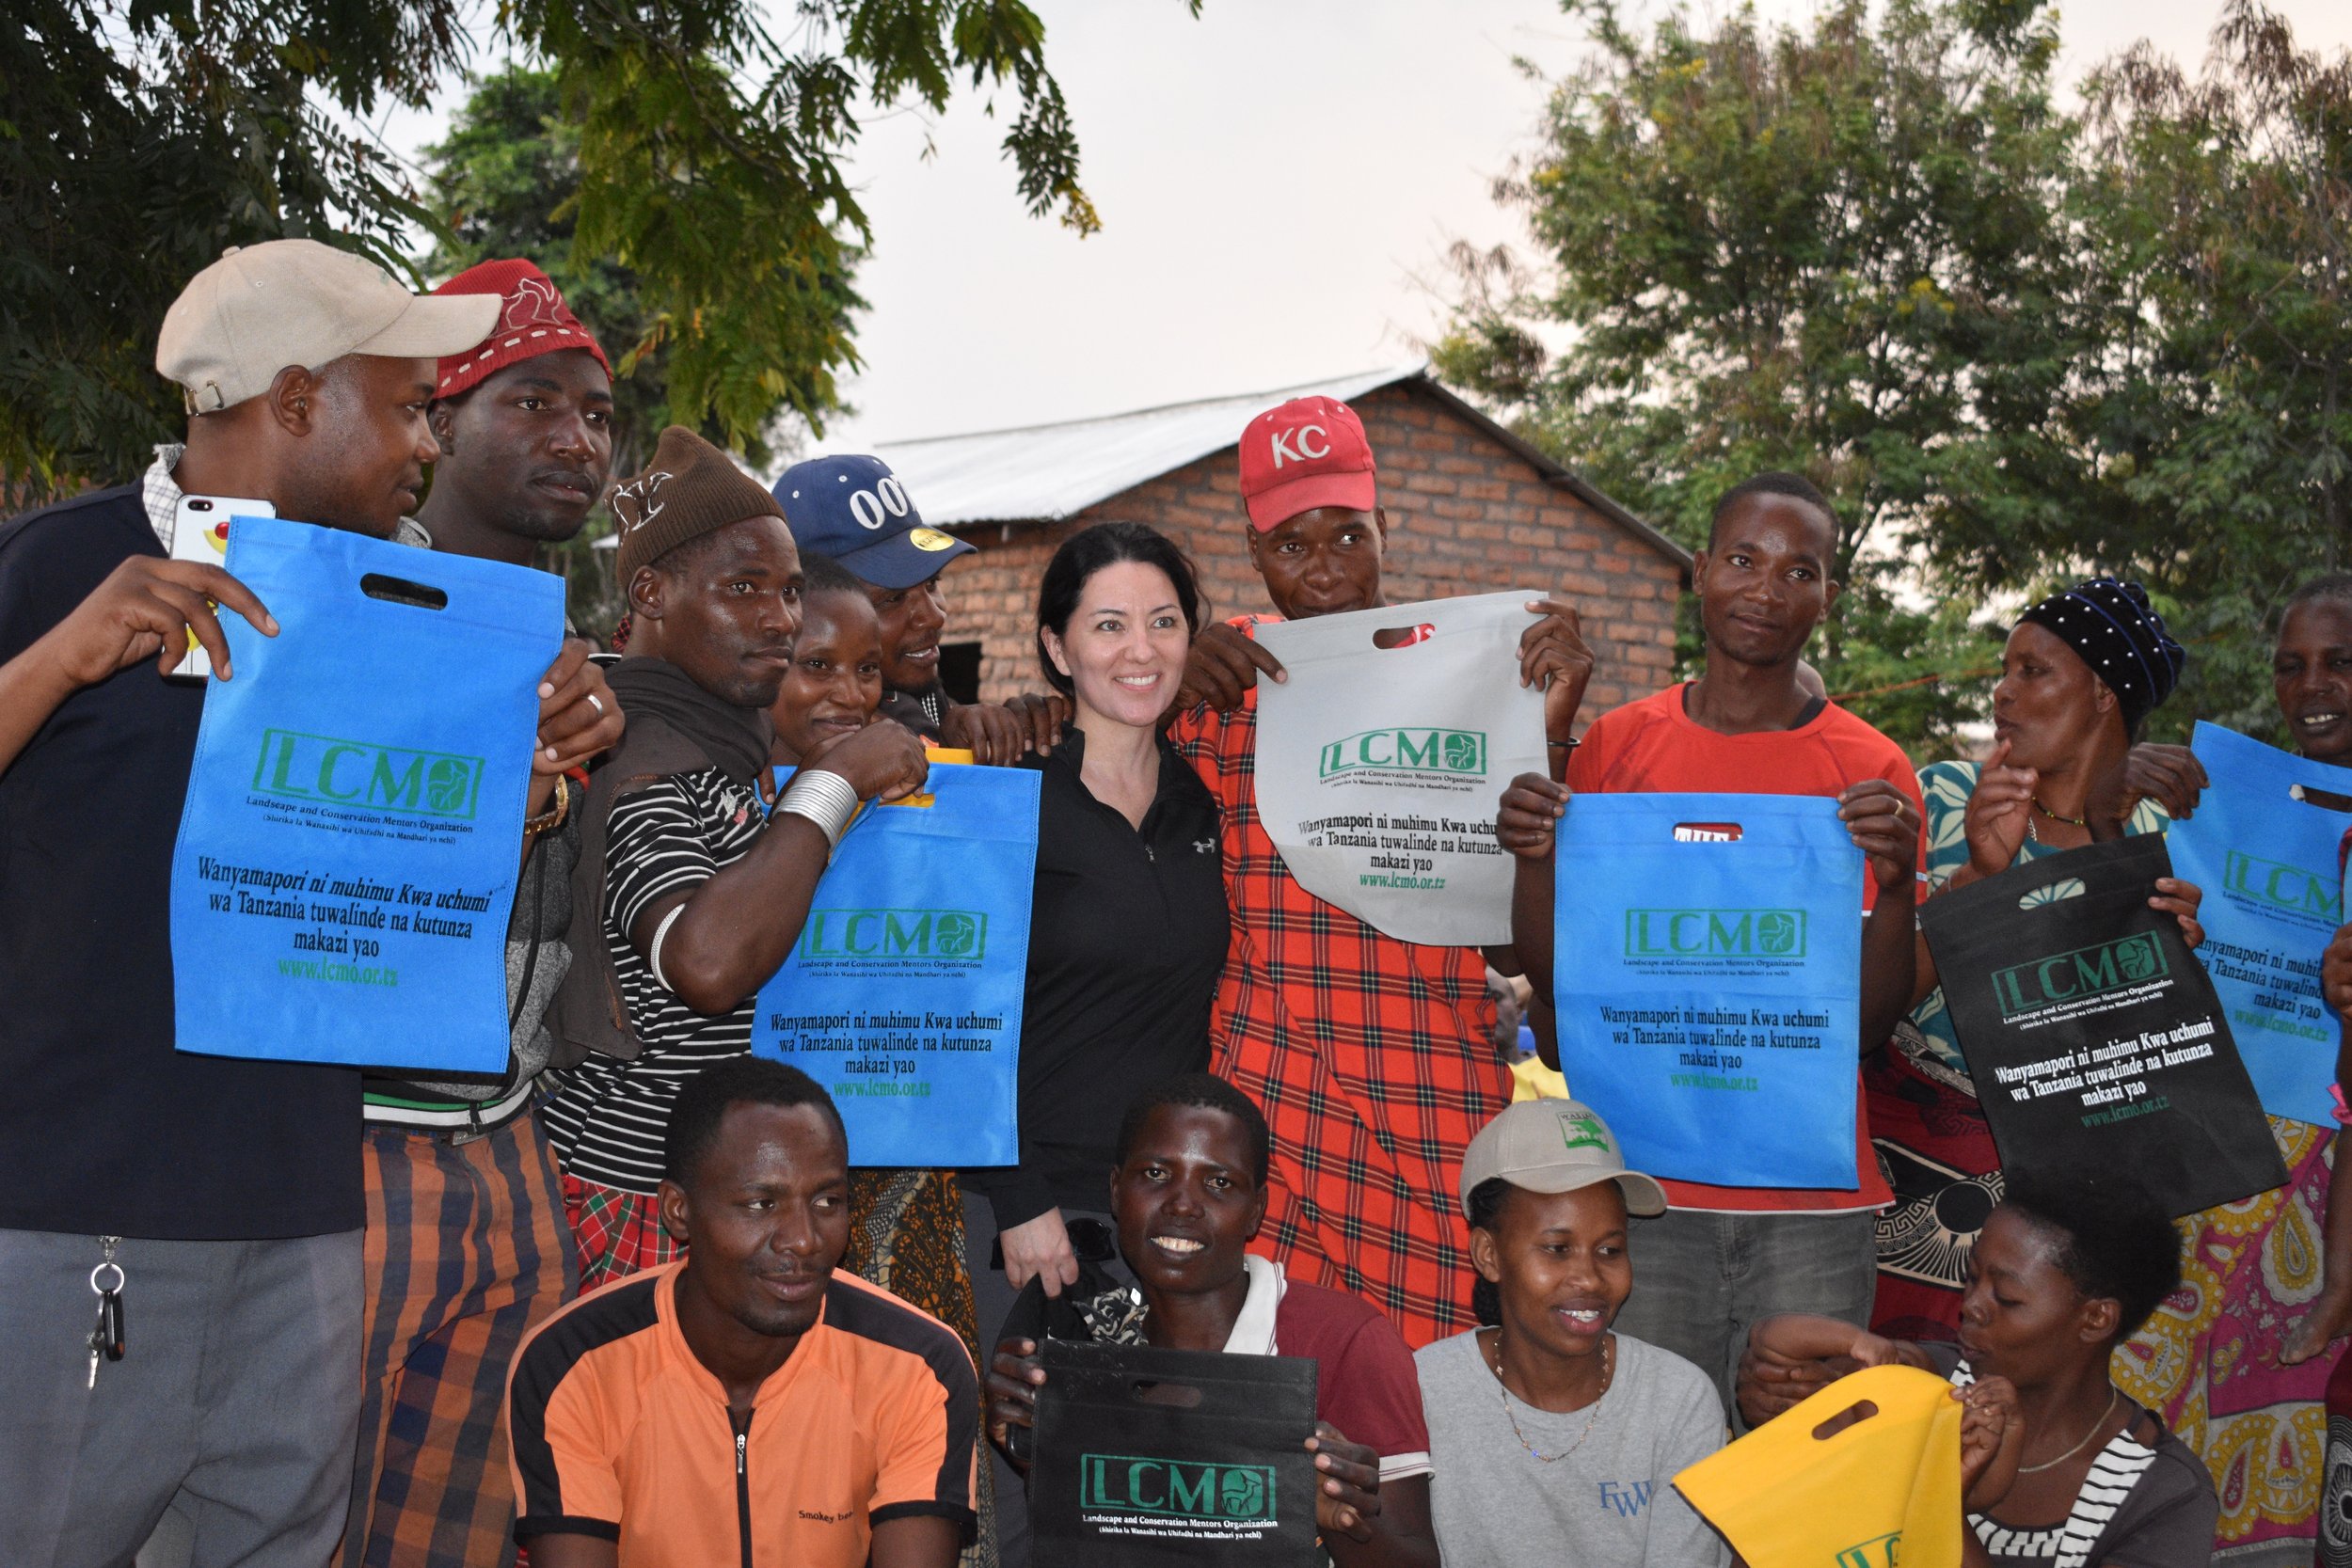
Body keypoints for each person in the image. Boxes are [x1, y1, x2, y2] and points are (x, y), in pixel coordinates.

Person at [0, 239, 609, 1568]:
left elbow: (380, 889)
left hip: (309, 1217)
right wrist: (58, 659)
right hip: (75, 1223)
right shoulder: (55, 569)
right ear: (292, 403)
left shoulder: (396, 608)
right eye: (402, 404)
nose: (421, 442)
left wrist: (527, 780)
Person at [1166, 394, 1594, 1348]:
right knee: (1275, 1422)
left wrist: (1546, 728)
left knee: (1421, 1416)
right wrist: (1159, 687)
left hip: (1428, 1108)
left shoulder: (1470, 680)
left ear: (1384, 529)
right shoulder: (1221, 687)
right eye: (1291, 543)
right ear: (1253, 548)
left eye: (1346, 535)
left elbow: (1509, 931)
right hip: (1268, 1114)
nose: (1322, 569)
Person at [1497, 470, 1922, 1418]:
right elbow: (1563, 978)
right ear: (1698, 572)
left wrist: (1893, 889)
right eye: (1742, 559)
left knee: (1802, 1486)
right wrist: (1533, 857)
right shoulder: (1613, 747)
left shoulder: (1872, 769)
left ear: (1826, 596)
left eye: (1797, 569)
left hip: (1813, 1205)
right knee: (1650, 1473)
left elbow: (1868, 1024)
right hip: (1646, 1196)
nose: (1766, 589)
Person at [337, 257, 623, 1568]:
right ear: (438, 422)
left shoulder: (566, 643)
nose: (577, 438)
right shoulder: (342, 606)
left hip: (507, 1140)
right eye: (534, 402)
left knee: (452, 1533)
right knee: (293, 1524)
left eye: (597, 411)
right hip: (346, 1144)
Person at [540, 426, 929, 1288]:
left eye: (790, 591)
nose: (780, 618)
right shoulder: (637, 758)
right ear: (650, 591)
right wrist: (831, 786)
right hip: (634, 1208)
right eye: (744, 588)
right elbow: (707, 963)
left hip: (711, 1200)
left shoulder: (718, 745)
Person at [955, 521, 1230, 1563]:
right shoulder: (1012, 798)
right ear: (1058, 648)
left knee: (1135, 1495)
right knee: (1023, 1492)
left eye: (1162, 621)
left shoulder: (1203, 800)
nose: (1138, 649)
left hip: (1158, 1208)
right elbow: (959, 1013)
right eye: (1107, 623)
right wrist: (1018, 1191)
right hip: (1028, 1210)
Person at [1866, 578, 2204, 1341]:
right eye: (2004, 670)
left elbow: (2159, 1061)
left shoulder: (2167, 840)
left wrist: (2171, 957)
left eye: (2033, 671)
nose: (2002, 692)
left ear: (2104, 696)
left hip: (2070, 1209)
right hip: (1911, 1176)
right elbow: (1877, 1009)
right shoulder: (1946, 798)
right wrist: (1975, 880)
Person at [506, 1056, 978, 1568]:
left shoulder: (917, 1367)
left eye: (827, 1201)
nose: (803, 1238)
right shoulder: (574, 1365)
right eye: (761, 1204)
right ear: (678, 1211)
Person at [766, 554, 996, 1558]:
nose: (853, 691)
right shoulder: (723, 790)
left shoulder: (931, 773)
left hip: (909, 1187)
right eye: (817, 661)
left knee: (909, 1464)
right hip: (774, 1205)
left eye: (866, 668)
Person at [986, 1073, 1439, 1568]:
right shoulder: (1084, 1345)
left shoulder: (1344, 1339)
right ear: (1116, 1191)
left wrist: (1340, 1520)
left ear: (1255, 1212)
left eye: (1219, 1183)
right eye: (1157, 1174)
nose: (1183, 1204)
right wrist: (1033, 1445)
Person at [1740, 1181, 2219, 1567]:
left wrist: (1943, 1506)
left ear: (2095, 1320)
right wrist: (1779, 1384)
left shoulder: (2161, 1496)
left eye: (2006, 1298)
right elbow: (1796, 1375)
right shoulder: (1924, 1385)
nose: (1971, 1306)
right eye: (1972, 1278)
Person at [1416, 1100, 1726, 1565]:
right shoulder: (1423, 1389)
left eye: (1609, 1249)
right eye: (1557, 1249)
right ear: (1488, 1255)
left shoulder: (1678, 1400)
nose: (1590, 1278)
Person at [771, 453, 1057, 762]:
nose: (934, 616)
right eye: (893, 599)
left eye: (932, 583)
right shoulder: (752, 761)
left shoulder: (932, 710)